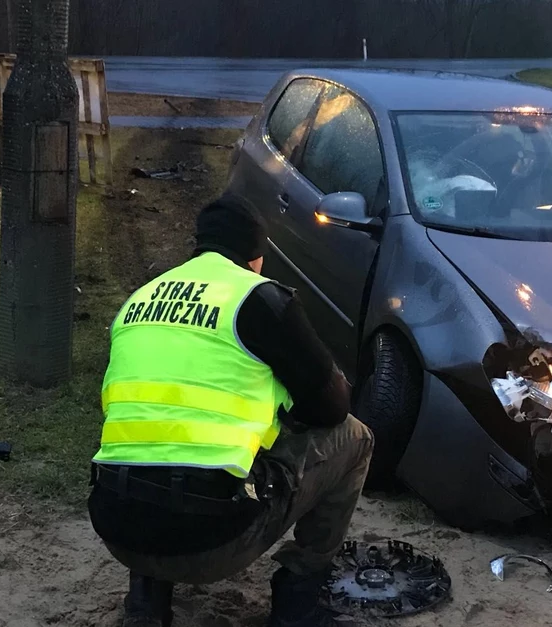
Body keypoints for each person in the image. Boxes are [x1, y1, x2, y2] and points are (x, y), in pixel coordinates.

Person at [87, 195, 374, 627]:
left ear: (198, 248)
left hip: (116, 526)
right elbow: (332, 408)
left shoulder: (138, 301)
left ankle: (146, 603)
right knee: (355, 438)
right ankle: (298, 602)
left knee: (154, 441)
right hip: (213, 543)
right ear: (256, 258)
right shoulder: (260, 299)